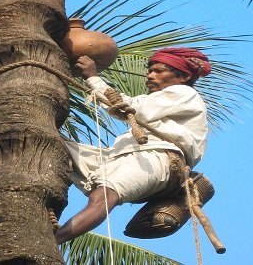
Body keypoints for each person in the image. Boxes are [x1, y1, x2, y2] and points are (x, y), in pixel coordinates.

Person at [53, 47, 212, 244]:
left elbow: (130, 107)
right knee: (54, 144)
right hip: (125, 157)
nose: (149, 75)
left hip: (153, 159)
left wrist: (93, 77)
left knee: (103, 198)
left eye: (158, 70)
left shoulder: (184, 93)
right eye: (149, 69)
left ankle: (53, 241)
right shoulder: (167, 99)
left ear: (184, 76)